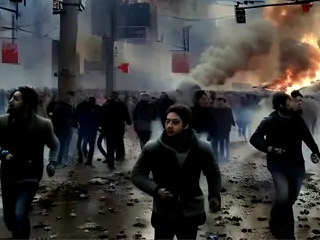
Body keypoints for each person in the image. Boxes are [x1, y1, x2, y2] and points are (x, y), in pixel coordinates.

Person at [0, 86, 59, 239]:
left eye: (15, 99)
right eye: (10, 98)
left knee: (20, 213)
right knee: (10, 218)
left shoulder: (43, 125)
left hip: (31, 174)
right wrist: (0, 152)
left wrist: (52, 162)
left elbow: (54, 144)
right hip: (8, 175)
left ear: (27, 104)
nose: (10, 101)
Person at [131, 104, 221, 240]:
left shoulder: (202, 148)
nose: (169, 126)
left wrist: (214, 196)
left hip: (190, 212)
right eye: (167, 121)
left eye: (175, 122)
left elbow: (213, 174)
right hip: (163, 212)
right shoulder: (153, 148)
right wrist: (156, 190)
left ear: (186, 125)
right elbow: (137, 174)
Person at [250, 92, 320, 239]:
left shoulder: (297, 119)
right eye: (289, 103)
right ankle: (289, 235)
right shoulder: (269, 121)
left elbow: (307, 136)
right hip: (278, 166)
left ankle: (275, 217)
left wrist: (315, 151)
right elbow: (255, 138)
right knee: (284, 198)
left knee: (291, 198)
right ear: (281, 105)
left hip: (296, 165)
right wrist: (269, 148)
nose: (294, 105)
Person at [101, 92, 132, 169]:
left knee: (109, 147)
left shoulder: (105, 105)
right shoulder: (121, 105)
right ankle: (119, 158)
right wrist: (129, 122)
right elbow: (127, 116)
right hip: (119, 129)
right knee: (119, 143)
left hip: (108, 130)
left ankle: (111, 164)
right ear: (117, 97)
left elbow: (101, 117)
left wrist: (102, 127)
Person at [47, 92, 76, 165]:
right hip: (64, 129)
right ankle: (59, 161)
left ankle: (54, 160)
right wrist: (74, 125)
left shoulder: (58, 106)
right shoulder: (67, 107)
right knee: (62, 145)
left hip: (58, 128)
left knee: (58, 145)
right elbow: (70, 118)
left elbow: (54, 117)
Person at [74, 96, 100, 165]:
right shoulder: (96, 108)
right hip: (92, 129)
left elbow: (76, 115)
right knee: (91, 145)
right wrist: (98, 126)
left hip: (82, 128)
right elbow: (99, 118)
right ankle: (89, 160)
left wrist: (76, 124)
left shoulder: (81, 106)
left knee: (80, 144)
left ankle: (81, 157)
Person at [211, 95, 235, 162]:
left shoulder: (227, 109)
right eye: (219, 101)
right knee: (218, 143)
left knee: (225, 143)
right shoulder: (215, 109)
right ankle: (219, 156)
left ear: (224, 102)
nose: (220, 103)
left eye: (221, 101)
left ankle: (226, 156)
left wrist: (232, 123)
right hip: (218, 129)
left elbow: (231, 117)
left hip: (226, 129)